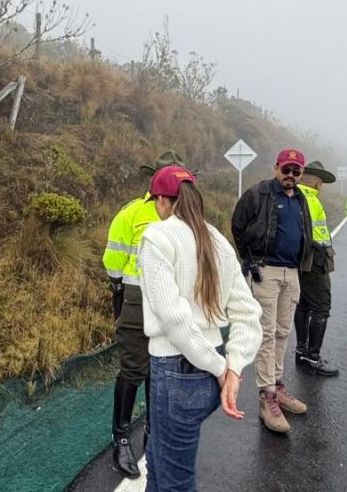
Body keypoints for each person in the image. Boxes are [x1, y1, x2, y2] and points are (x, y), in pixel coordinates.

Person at [138, 165, 261, 492]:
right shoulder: (218, 240)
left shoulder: (157, 238)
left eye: (156, 202)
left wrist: (222, 369)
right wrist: (232, 367)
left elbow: (174, 319)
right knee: (157, 459)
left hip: (176, 371)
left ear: (163, 201)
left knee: (174, 480)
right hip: (207, 373)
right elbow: (249, 314)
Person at [102, 150, 191, 478]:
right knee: (132, 370)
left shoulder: (187, 216)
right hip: (139, 302)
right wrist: (121, 292)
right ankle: (121, 438)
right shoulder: (132, 213)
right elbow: (113, 261)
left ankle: (154, 432)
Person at [230, 148, 314, 433]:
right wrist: (250, 260)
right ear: (276, 168)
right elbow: (238, 226)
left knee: (282, 332)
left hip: (292, 273)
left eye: (296, 171)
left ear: (301, 174)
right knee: (266, 334)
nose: (290, 175)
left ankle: (276, 385)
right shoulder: (259, 194)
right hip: (265, 272)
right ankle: (267, 396)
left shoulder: (301, 199)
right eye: (286, 170)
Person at [293, 161, 339, 377]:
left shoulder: (294, 194)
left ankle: (301, 350)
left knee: (302, 305)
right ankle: (313, 357)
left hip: (299, 262)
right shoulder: (310, 199)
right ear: (318, 183)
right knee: (321, 307)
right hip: (315, 261)